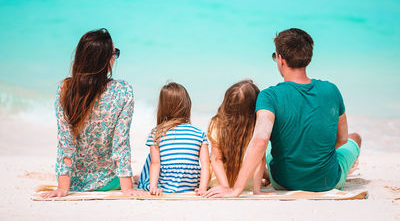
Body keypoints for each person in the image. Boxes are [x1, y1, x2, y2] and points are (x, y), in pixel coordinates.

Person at [205, 28, 362, 197]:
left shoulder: (269, 96)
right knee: (355, 138)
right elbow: (341, 139)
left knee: (271, 142)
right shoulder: (332, 91)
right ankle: (347, 165)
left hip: (283, 182)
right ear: (308, 57)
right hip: (327, 181)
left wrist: (236, 189)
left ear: (280, 59)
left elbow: (259, 141)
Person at [41, 29, 145, 198]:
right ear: (104, 60)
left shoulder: (65, 90)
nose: (114, 57)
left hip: (74, 182)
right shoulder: (123, 90)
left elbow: (65, 143)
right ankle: (129, 180)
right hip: (109, 182)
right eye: (114, 53)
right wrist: (127, 188)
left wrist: (62, 188)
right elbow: (121, 143)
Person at [137, 82, 210, 195]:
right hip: (190, 183)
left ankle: (144, 182)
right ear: (187, 105)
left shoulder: (157, 133)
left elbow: (155, 163)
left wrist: (153, 187)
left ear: (163, 107)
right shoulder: (199, 133)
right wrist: (203, 188)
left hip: (165, 184)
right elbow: (205, 164)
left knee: (151, 157)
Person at [208, 80, 265, 194]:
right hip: (247, 185)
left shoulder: (217, 123)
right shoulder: (257, 126)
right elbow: (260, 160)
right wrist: (257, 190)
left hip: (218, 183)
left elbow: (216, 159)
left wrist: (225, 187)